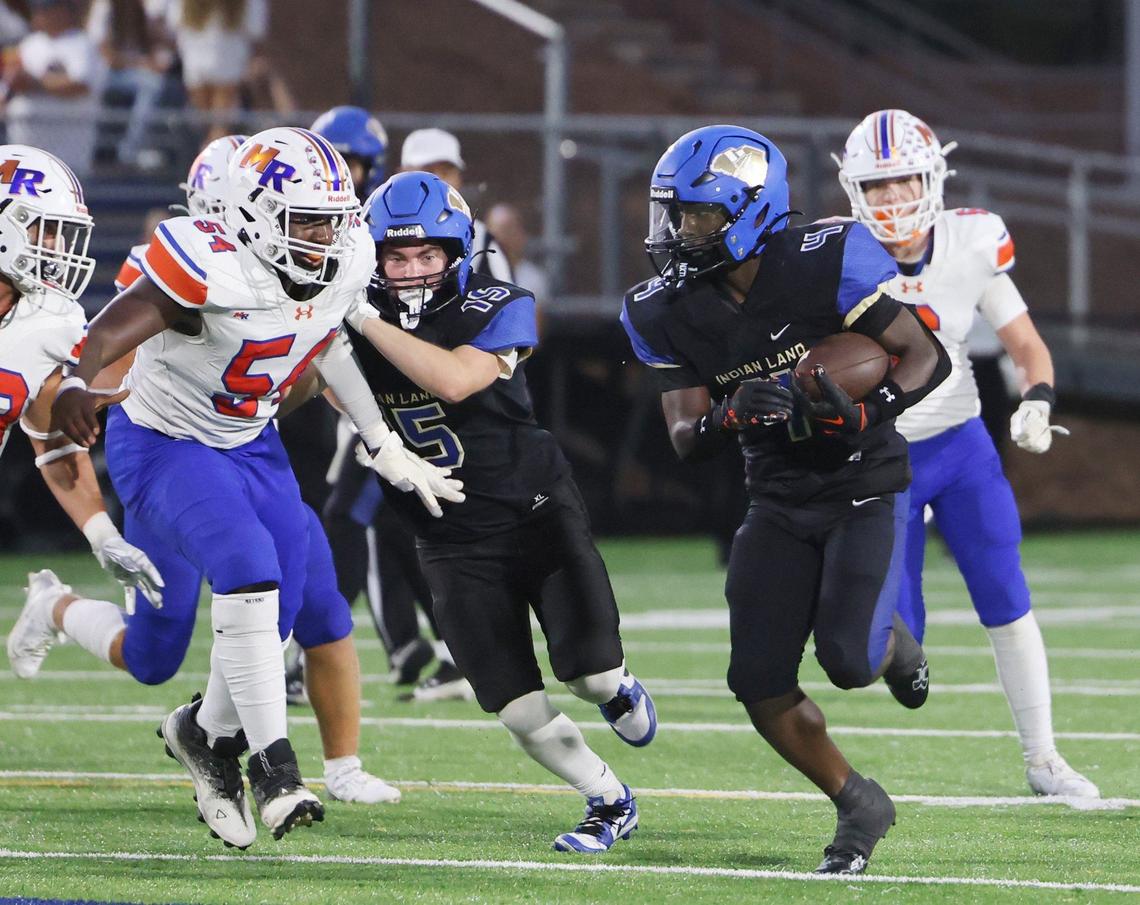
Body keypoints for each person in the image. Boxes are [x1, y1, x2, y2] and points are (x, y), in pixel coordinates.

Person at [50, 127, 463, 848]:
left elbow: (328, 338)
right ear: (251, 213)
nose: (326, 235)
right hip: (168, 439)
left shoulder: (342, 256)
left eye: (334, 219)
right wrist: (80, 380)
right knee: (245, 572)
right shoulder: (210, 265)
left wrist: (381, 440)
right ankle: (275, 766)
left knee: (292, 591)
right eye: (307, 219)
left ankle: (205, 735)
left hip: (249, 440)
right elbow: (114, 325)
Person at [621, 125, 951, 874]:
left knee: (849, 659)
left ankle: (895, 644)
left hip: (862, 479)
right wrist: (730, 412)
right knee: (757, 679)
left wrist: (863, 413)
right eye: (673, 214)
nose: (678, 232)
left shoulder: (826, 259)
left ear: (752, 211)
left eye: (698, 216)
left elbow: (926, 356)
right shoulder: (663, 308)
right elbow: (683, 434)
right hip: (775, 495)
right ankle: (857, 802)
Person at [340, 170, 656, 853]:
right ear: (373, 259)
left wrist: (359, 318)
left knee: (589, 673)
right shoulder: (353, 319)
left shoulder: (498, 301)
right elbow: (321, 385)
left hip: (533, 513)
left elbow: (453, 377)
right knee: (516, 706)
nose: (413, 269)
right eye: (397, 257)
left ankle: (619, 686)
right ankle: (607, 798)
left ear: (457, 254)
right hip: (449, 539)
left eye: (427, 255)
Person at [834, 109, 1098, 798]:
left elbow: (1026, 343)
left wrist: (1037, 396)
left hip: (961, 449)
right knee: (888, 644)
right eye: (879, 186)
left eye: (904, 183)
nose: (893, 201)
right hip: (882, 458)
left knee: (1006, 598)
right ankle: (905, 658)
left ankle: (1044, 760)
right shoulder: (837, 256)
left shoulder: (971, 242)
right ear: (856, 190)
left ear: (933, 178)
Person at [0, 143, 165, 622]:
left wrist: (102, 536)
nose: (55, 247)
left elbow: (51, 437)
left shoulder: (49, 317)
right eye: (43, 231)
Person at [2, 0, 105, 176]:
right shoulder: (29, 44)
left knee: (68, 193)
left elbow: (79, 85)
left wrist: (35, 83)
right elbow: (10, 84)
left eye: (47, 9)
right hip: (26, 139)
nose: (41, 14)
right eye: (39, 10)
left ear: (64, 11)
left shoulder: (82, 44)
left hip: (68, 143)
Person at [400, 127, 513, 283]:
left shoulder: (479, 238)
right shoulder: (371, 229)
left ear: (459, 179)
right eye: (427, 171)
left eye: (445, 172)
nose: (437, 181)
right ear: (401, 174)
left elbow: (506, 301)